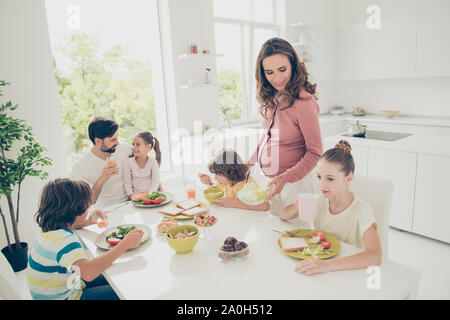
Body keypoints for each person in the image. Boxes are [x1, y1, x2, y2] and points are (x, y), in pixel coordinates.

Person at [27, 178, 144, 300]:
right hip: (68, 297)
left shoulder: (49, 230)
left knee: (111, 273)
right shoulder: (65, 241)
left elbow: (84, 270)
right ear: (75, 210)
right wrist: (125, 244)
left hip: (66, 285)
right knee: (123, 290)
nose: (88, 209)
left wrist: (86, 221)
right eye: (86, 208)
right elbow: (88, 273)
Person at [280, 141, 382, 276]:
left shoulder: (360, 210)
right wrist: (295, 207)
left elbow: (375, 256)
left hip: (349, 270)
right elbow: (283, 215)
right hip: (322, 265)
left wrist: (327, 265)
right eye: (319, 177)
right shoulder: (320, 200)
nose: (322, 184)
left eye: (330, 179)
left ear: (349, 178)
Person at [248, 37, 323, 216]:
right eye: (269, 72)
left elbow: (315, 152)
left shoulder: (303, 102)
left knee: (297, 239)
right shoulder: (273, 97)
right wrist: (249, 163)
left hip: (297, 187)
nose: (277, 78)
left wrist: (285, 178)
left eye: (282, 69)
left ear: (293, 66)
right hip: (274, 182)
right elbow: (267, 136)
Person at [72, 117, 132, 209]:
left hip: (130, 205)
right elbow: (88, 202)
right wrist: (102, 178)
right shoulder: (81, 166)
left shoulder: (124, 150)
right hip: (105, 212)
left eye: (117, 138)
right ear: (98, 141)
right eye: (113, 140)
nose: (118, 143)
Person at [198, 150, 270, 211]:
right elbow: (214, 194)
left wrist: (235, 203)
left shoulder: (248, 183)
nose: (215, 178)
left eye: (218, 174)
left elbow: (266, 206)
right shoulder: (227, 183)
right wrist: (209, 183)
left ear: (231, 172)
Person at [123, 131, 162, 199]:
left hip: (151, 196)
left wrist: (149, 195)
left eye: (137, 144)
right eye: (133, 144)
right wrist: (130, 195)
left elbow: (155, 181)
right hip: (135, 198)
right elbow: (127, 182)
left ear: (148, 147)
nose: (133, 147)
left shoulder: (153, 162)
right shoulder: (128, 162)